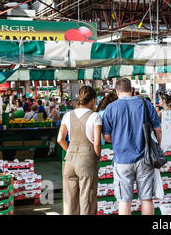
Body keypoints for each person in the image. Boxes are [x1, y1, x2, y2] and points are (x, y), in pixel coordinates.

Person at [102, 78, 161, 215]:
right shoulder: (146, 104)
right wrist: (156, 148)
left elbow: (106, 137)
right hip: (145, 158)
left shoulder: (111, 108)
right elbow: (158, 130)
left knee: (124, 200)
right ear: (132, 89)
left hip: (122, 160)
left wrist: (118, 140)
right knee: (146, 199)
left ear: (117, 92)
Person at [57, 86, 102, 215]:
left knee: (70, 200)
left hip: (70, 159)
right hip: (87, 159)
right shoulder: (95, 116)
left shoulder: (67, 115)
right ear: (93, 100)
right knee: (87, 197)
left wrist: (70, 151)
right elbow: (97, 143)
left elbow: (60, 139)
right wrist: (97, 157)